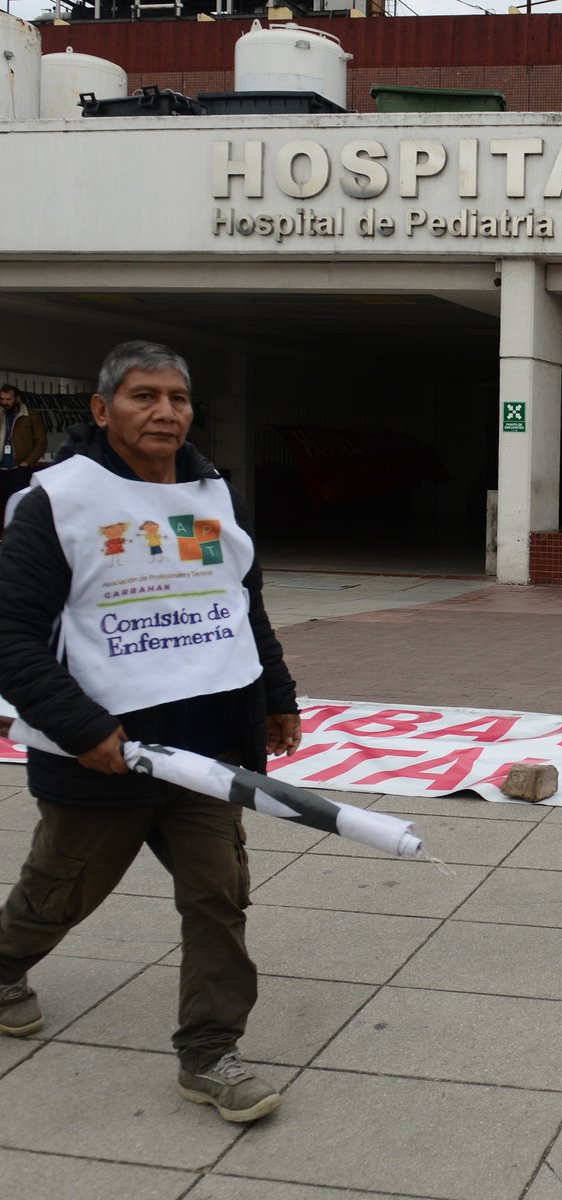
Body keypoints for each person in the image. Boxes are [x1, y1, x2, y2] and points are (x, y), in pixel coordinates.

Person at [0, 341, 300, 1123]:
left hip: (208, 755)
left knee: (218, 901)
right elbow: (10, 636)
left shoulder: (212, 494)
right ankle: (4, 966)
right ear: (102, 410)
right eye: (143, 397)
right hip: (104, 757)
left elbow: (242, 603)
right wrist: (81, 728)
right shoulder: (55, 501)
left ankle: (210, 1055)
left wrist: (275, 694)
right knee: (57, 896)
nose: (164, 411)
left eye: (178, 398)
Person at [0, 383, 48, 520]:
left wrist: (28, 462)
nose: (5, 402)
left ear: (17, 398)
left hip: (19, 467)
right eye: (2, 399)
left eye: (8, 399)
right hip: (1, 467)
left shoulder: (30, 416)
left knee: (16, 503)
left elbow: (41, 442)